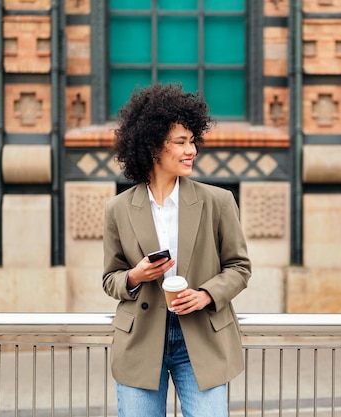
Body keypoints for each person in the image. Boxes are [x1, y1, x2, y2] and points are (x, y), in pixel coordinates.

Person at [102, 82, 251, 417]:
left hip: (201, 336)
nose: (192, 150)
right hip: (140, 339)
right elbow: (110, 278)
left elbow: (240, 267)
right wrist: (135, 276)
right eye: (181, 142)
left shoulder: (218, 201)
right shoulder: (119, 208)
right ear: (155, 147)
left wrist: (206, 294)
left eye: (193, 141)